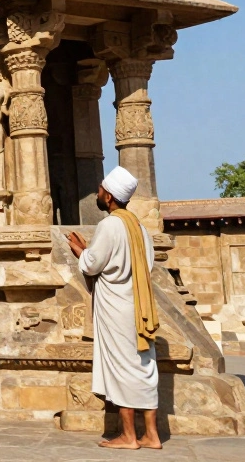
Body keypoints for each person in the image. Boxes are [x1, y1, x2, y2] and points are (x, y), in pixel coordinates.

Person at [66, 165, 162, 450]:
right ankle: (152, 435)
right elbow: (146, 265)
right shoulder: (140, 228)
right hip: (139, 306)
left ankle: (129, 436)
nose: (97, 193)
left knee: (122, 369)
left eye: (100, 189)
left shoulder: (110, 225)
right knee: (143, 367)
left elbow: (94, 264)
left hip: (117, 310)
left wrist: (80, 251)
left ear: (108, 196)